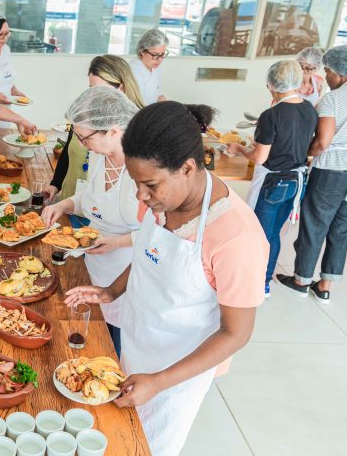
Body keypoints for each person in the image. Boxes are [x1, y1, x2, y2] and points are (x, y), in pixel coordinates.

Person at [66, 101, 267, 456]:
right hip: (138, 340)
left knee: (146, 445)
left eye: (149, 185)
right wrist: (112, 292)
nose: (141, 197)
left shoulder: (237, 236)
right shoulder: (166, 201)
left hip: (178, 372)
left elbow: (237, 332)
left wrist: (159, 382)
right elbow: (149, 253)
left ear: (187, 168)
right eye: (136, 184)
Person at [41, 87, 141, 357]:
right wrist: (64, 204)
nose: (81, 143)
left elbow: (162, 234)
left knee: (115, 342)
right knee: (90, 333)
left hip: (128, 269)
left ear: (113, 130)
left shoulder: (144, 167)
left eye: (85, 137)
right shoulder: (98, 155)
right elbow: (90, 195)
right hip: (93, 258)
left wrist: (117, 242)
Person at [226, 60, 316, 298]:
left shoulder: (271, 115)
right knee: (274, 233)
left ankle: (253, 282)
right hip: (295, 182)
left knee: (258, 234)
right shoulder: (309, 109)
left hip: (272, 183)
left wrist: (239, 149)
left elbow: (259, 157)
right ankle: (264, 281)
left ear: (271, 85)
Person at [278, 45, 347, 304]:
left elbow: (323, 141)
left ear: (340, 73)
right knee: (341, 228)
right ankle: (325, 286)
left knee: (315, 224)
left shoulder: (333, 98)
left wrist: (306, 154)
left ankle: (301, 281)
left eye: (327, 71)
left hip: (330, 170)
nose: (326, 76)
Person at [45, 55, 146, 205]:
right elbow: (69, 150)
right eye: (91, 89)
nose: (93, 96)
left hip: (102, 212)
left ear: (121, 87)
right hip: (71, 201)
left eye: (100, 90)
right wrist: (56, 184)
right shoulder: (86, 114)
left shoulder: (139, 129)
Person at [129, 28, 169, 105]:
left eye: (162, 54)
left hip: (152, 111)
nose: (160, 60)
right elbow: (140, 104)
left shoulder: (155, 66)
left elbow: (158, 94)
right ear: (142, 51)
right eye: (155, 55)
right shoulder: (134, 71)